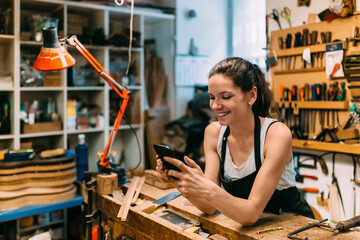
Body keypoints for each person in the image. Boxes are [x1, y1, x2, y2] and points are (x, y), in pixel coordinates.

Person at [156, 57, 314, 226]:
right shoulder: (214, 133)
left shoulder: (276, 135)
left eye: (225, 97)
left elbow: (251, 213)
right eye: (212, 97)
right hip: (250, 227)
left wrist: (206, 187)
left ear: (251, 95)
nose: (215, 106)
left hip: (292, 226)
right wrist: (183, 181)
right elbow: (209, 206)